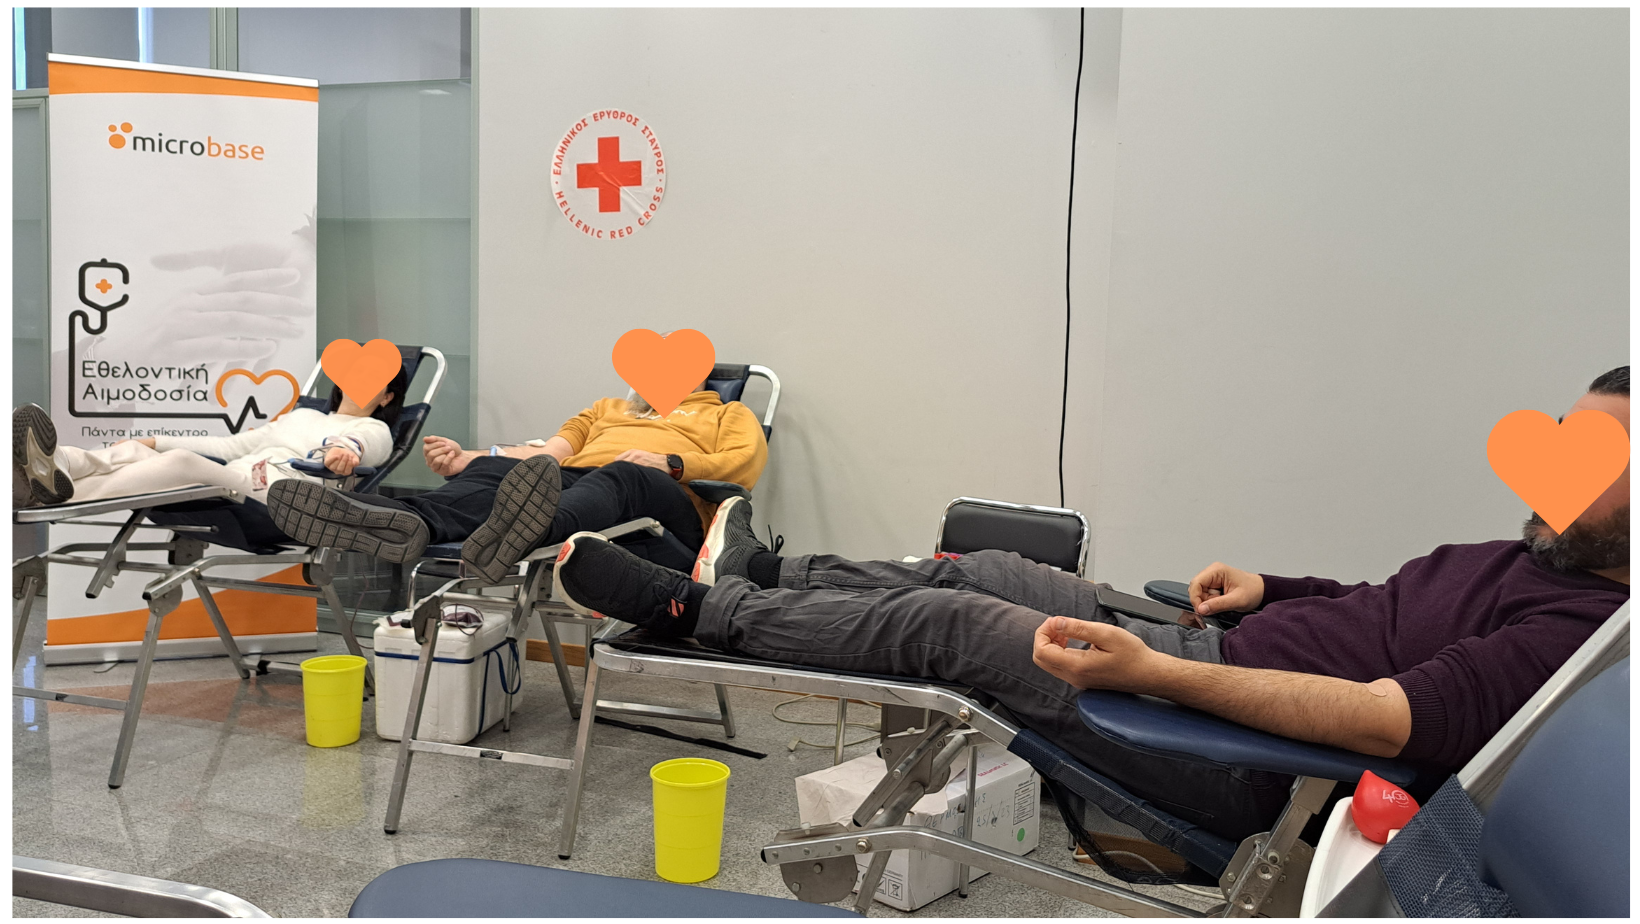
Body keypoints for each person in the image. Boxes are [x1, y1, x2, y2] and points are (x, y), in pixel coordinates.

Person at [545, 366, 1630, 846]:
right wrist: (1275, 590)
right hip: (1217, 658)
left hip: (1247, 761)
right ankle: (759, 579)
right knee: (981, 570)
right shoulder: (1526, 555)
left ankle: (697, 615)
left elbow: (1394, 720)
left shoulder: (1581, 633)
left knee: (952, 629)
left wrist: (1155, 673)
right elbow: (1381, 607)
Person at [267, 382, 768, 582]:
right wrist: (474, 458)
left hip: (663, 502)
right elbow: (549, 455)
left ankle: (527, 529)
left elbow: (743, 463)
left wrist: (671, 462)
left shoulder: (726, 412)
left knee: (621, 474)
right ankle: (404, 520)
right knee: (494, 472)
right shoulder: (608, 408)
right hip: (581, 489)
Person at [12, 366, 405, 509]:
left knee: (182, 464)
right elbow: (229, 447)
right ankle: (56, 465)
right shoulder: (302, 415)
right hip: (238, 478)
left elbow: (367, 446)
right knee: (134, 448)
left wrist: (344, 452)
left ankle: (45, 484)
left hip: (279, 496)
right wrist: (156, 441)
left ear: (387, 397)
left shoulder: (373, 429)